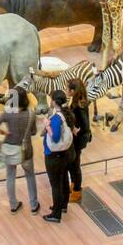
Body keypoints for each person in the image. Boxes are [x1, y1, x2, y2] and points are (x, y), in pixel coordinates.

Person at [0, 87, 39, 214]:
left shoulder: (7, 113)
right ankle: (34, 205)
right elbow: (34, 132)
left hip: (10, 148)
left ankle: (13, 205)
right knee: (30, 176)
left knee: (10, 176)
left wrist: (3, 132)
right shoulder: (31, 114)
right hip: (26, 149)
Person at [41, 89, 76, 223]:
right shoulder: (67, 114)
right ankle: (62, 206)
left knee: (56, 185)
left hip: (54, 156)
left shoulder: (56, 118)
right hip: (66, 153)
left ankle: (56, 214)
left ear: (54, 101)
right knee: (63, 181)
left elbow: (55, 138)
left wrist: (47, 126)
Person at [65, 79, 92, 204]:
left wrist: (77, 130)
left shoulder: (79, 106)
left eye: (67, 89)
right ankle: (74, 185)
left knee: (75, 166)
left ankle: (76, 191)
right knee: (73, 164)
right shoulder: (79, 101)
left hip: (78, 140)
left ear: (73, 91)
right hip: (77, 140)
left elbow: (85, 125)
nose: (66, 90)